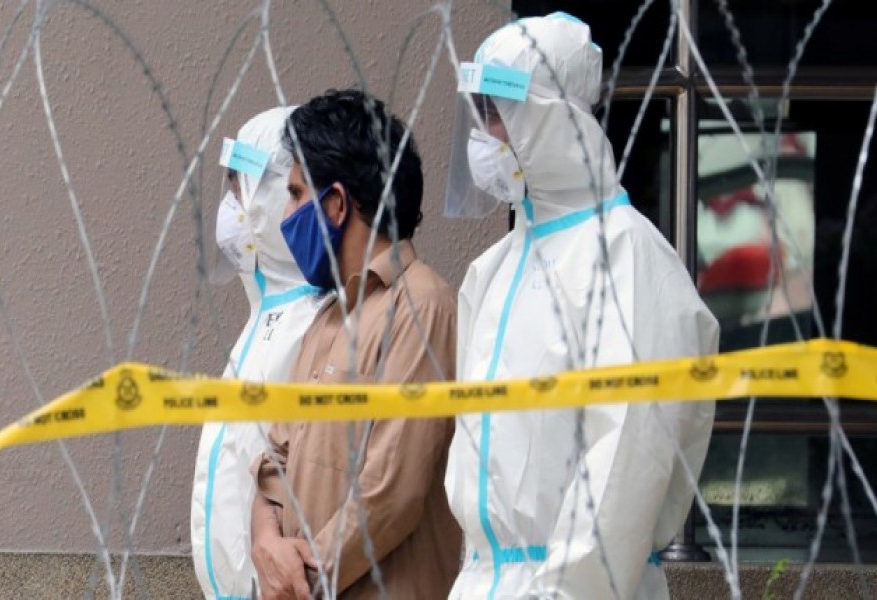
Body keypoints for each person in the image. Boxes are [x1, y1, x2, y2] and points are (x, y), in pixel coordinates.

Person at [443, 13, 720, 599]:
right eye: (478, 113)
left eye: (497, 112)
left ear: (549, 116)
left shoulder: (626, 254)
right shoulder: (492, 270)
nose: (483, 134)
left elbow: (627, 460)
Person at [250, 88, 461, 599]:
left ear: (338, 203)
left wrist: (296, 582)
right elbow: (274, 460)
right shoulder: (327, 318)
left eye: (298, 194)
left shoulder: (422, 306)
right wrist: (264, 541)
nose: (286, 215)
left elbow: (391, 493)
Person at [191, 106, 324, 600]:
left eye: (241, 187)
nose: (233, 206)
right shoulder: (264, 317)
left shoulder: (319, 319)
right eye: (229, 187)